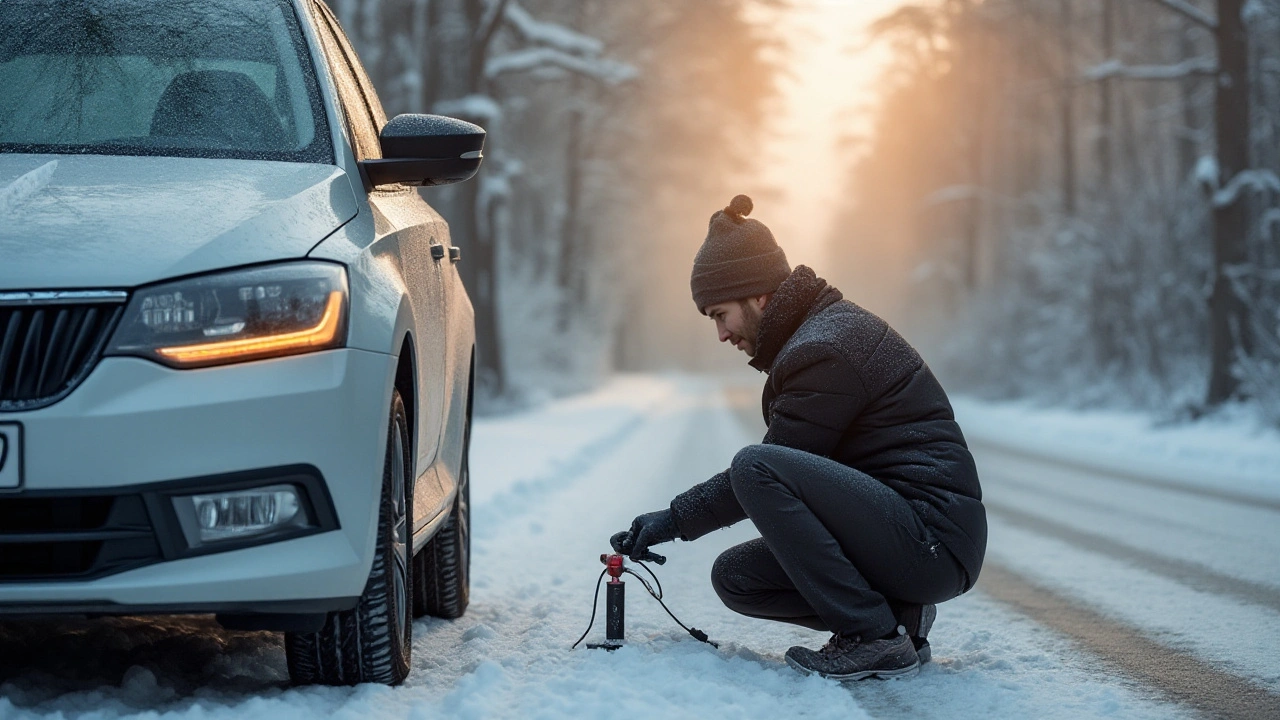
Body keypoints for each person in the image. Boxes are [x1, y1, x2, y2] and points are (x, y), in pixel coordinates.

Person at [611, 195, 987, 681]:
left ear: (760, 296)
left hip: (932, 539)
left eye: (720, 314)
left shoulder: (826, 347)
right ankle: (899, 620)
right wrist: (674, 519)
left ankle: (873, 637)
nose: (721, 335)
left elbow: (771, 467)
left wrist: (675, 517)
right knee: (738, 578)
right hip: (910, 537)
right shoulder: (821, 334)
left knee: (755, 466)